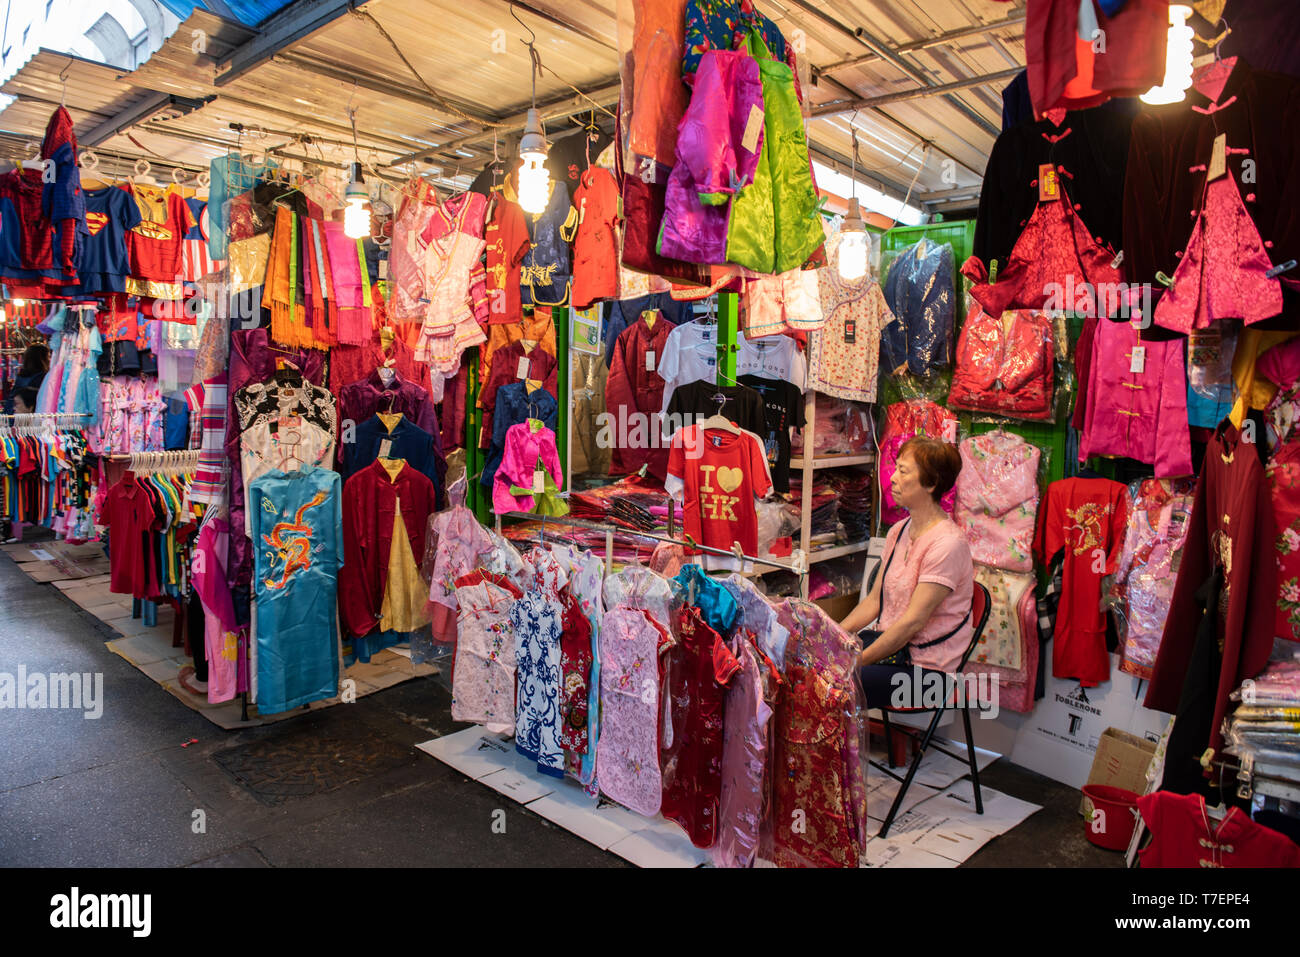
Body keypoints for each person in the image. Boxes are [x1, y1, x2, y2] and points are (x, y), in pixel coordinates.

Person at [840, 436, 974, 708]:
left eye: (903, 471)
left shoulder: (948, 544)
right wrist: (832, 635)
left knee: (834, 682)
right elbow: (874, 601)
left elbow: (912, 622)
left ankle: (836, 751)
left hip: (928, 675)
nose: (892, 478)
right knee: (817, 665)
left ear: (931, 483)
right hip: (893, 654)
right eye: (896, 468)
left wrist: (854, 662)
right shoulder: (898, 531)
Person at [4, 344, 49, 414]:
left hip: (13, 414)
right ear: (42, 359)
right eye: (48, 357)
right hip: (29, 415)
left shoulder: (21, 376)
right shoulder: (41, 378)